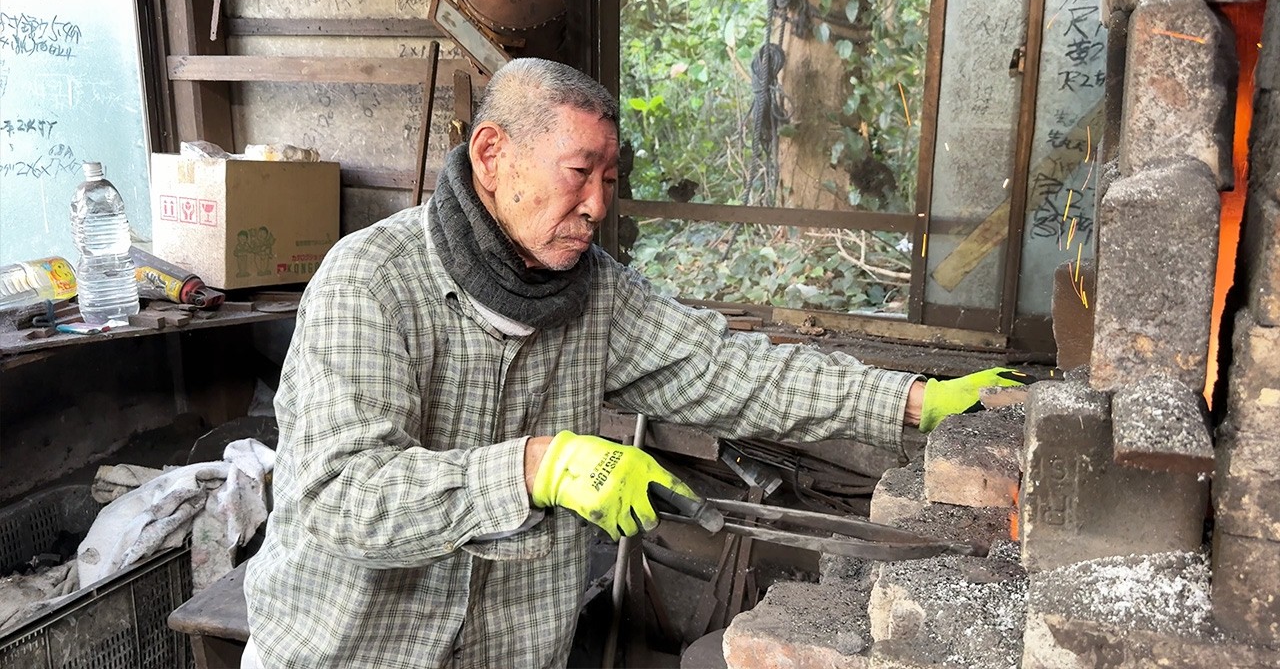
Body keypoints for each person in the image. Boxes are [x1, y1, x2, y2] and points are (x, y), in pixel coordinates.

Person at [242, 58, 1026, 669]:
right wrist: (535, 468)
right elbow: (338, 497)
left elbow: (734, 371)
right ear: (492, 155)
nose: (596, 204)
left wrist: (914, 402)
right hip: (349, 646)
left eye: (610, 181)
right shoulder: (370, 281)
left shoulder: (595, 295)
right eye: (578, 172)